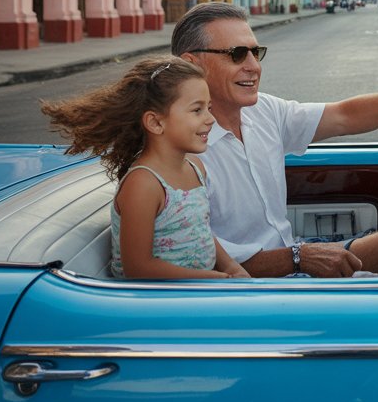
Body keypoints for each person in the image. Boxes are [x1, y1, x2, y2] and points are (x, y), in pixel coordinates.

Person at [171, 1, 378, 277]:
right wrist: (299, 258)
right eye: (237, 54)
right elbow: (203, 260)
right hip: (252, 286)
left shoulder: (263, 111)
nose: (254, 66)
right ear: (193, 64)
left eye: (255, 52)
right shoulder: (178, 152)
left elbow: (343, 115)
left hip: (290, 252)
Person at [41, 56, 248, 280]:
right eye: (197, 110)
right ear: (155, 122)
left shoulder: (195, 167)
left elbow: (200, 230)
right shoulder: (144, 184)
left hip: (199, 292)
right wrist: (214, 279)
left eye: (208, 108)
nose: (210, 119)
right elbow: (138, 268)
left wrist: (231, 267)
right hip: (156, 303)